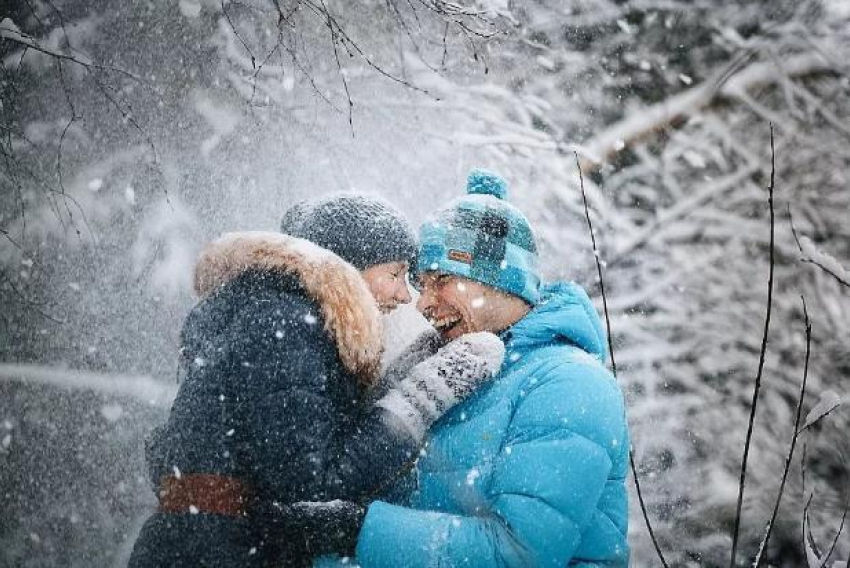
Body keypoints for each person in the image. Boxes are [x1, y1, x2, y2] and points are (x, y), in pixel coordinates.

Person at [127, 193, 505, 568]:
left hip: (208, 545)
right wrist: (418, 399)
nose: (404, 295)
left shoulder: (282, 316)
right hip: (218, 552)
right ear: (348, 267)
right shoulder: (287, 324)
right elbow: (315, 487)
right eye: (394, 274)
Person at [302, 171, 631, 567]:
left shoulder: (568, 382)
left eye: (440, 280)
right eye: (420, 284)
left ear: (500, 280)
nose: (422, 304)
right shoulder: (446, 366)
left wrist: (354, 530)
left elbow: (519, 554)